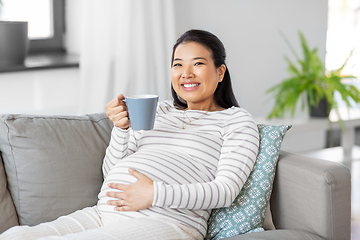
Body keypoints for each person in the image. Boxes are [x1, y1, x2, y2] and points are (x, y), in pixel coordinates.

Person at [0, 29, 259, 240]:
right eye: (178, 64)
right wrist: (122, 130)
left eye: (198, 64)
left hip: (167, 222)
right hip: (104, 212)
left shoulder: (235, 120)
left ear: (220, 72)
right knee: (15, 236)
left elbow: (225, 191)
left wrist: (155, 194)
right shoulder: (158, 110)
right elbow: (112, 170)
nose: (186, 74)